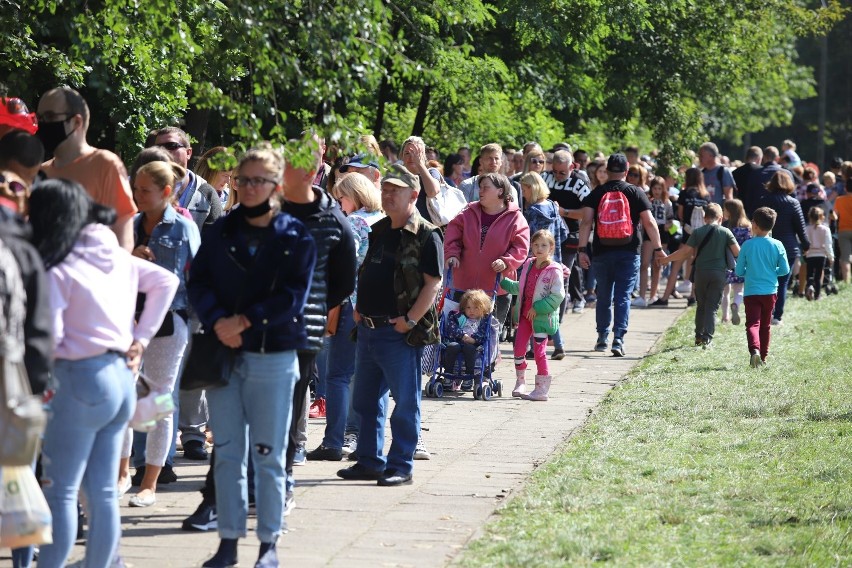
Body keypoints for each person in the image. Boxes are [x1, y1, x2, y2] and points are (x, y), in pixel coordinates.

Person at [29, 179, 178, 568]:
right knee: (102, 492)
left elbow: (50, 335)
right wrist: (141, 338)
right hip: (119, 380)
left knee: (59, 491)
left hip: (78, 379)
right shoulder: (114, 255)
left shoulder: (59, 265)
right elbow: (167, 281)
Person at [187, 145, 317, 568]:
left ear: (276, 186)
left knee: (268, 454)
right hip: (224, 353)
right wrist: (219, 320)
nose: (248, 187)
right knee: (225, 452)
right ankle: (227, 542)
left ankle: (268, 545)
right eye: (243, 180)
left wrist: (244, 321)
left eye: (258, 180)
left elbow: (293, 297)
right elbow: (199, 282)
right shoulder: (220, 231)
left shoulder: (294, 236)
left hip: (272, 354)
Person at [336, 164, 443, 486]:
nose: (388, 195)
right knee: (364, 402)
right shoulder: (380, 229)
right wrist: (357, 309)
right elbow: (365, 269)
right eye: (385, 189)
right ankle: (369, 461)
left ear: (413, 194)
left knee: (405, 402)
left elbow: (433, 283)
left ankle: (400, 466)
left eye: (395, 191)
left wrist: (409, 320)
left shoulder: (426, 234)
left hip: (398, 333)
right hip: (367, 328)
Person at [117, 160, 201, 507]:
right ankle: (121, 472)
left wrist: (195, 325)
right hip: (125, 320)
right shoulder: (128, 225)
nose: (137, 196)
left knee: (159, 401)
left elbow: (197, 278)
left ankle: (149, 480)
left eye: (145, 190)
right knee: (122, 397)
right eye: (135, 188)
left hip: (169, 323)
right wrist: (130, 256)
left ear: (166, 192)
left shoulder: (183, 228)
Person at [307, 171, 384, 461]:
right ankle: (362, 440)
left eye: (342, 197)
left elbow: (342, 267)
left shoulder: (354, 224)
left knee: (338, 375)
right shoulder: (385, 221)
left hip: (349, 306)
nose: (339, 204)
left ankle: (333, 442)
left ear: (356, 195)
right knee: (367, 376)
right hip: (380, 310)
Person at [577, 153, 667, 357]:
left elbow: (586, 223)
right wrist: (658, 248)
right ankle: (618, 338)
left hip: (601, 252)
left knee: (604, 296)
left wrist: (582, 250)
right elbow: (650, 223)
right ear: (626, 171)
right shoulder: (635, 192)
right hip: (629, 251)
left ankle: (602, 337)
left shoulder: (597, 192)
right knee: (623, 297)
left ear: (607, 171)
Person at [37, 87, 137, 250]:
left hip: (94, 272)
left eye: (49, 116)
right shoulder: (41, 172)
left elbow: (123, 234)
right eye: (39, 118)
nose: (42, 124)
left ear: (77, 122)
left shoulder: (105, 164)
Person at [444, 172, 530, 342]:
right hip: (464, 284)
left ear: (500, 191)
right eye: (480, 187)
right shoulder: (468, 211)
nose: (480, 191)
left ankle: (487, 365)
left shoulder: (515, 217)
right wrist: (452, 254)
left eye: (486, 188)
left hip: (497, 286)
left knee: (489, 332)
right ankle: (457, 365)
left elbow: (521, 247)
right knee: (459, 331)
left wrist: (506, 261)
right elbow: (452, 235)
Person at [658, 203, 739, 347]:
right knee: (712, 307)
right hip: (718, 274)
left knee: (701, 305)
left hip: (701, 273)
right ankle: (707, 337)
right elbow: (738, 252)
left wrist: (665, 259)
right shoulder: (726, 232)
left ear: (704, 218)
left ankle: (698, 336)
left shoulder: (698, 232)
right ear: (720, 218)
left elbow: (684, 252)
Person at [500, 229, 565, 401]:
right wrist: (504, 282)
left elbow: (558, 295)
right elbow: (521, 287)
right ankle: (520, 382)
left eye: (544, 245)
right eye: (535, 245)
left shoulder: (554, 270)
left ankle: (541, 390)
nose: (539, 248)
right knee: (519, 349)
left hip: (541, 319)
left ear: (551, 248)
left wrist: (538, 308)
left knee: (539, 352)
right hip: (524, 316)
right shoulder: (528, 264)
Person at [519, 171, 569, 358]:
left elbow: (526, 239)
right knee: (549, 307)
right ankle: (558, 345)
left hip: (538, 265)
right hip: (555, 262)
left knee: (534, 302)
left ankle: (535, 347)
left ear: (532, 188)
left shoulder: (531, 212)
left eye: (524, 189)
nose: (523, 194)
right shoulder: (553, 207)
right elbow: (563, 234)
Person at [734, 207, 790, 367]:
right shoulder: (778, 245)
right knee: (765, 326)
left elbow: (739, 271)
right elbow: (785, 270)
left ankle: (755, 351)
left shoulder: (747, 245)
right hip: (770, 291)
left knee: (752, 324)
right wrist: (772, 272)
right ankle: (763, 358)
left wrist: (749, 270)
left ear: (756, 225)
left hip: (751, 292)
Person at [759, 171, 809, 324]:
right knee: (782, 282)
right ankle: (777, 316)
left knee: (766, 281)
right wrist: (806, 245)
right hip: (788, 248)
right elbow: (800, 228)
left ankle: (766, 312)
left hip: (766, 246)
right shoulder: (793, 203)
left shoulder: (763, 200)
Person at [442, 289, 492, 379]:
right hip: (458, 341)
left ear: (483, 308)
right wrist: (462, 335)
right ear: (464, 307)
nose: (471, 311)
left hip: (473, 344)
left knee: (469, 348)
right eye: (468, 307)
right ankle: (448, 373)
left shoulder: (483, 320)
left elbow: (483, 332)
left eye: (476, 308)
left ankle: (469, 374)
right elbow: (452, 328)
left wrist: (474, 339)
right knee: (451, 346)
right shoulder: (457, 316)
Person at [643, 176, 674, 307]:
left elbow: (671, 218)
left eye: (659, 188)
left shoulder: (667, 202)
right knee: (645, 263)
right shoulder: (647, 200)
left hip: (662, 231)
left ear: (663, 189)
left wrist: (669, 224)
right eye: (655, 188)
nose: (657, 191)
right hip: (649, 230)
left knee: (657, 264)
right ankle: (642, 293)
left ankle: (653, 294)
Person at [721, 199, 752, 324]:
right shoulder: (747, 227)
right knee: (739, 290)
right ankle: (736, 304)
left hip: (727, 262)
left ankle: (725, 316)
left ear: (729, 211)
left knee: (725, 291)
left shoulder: (725, 226)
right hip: (741, 263)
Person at [803, 206, 833, 300]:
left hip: (810, 254)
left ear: (809, 217)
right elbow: (828, 244)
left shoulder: (806, 229)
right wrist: (831, 256)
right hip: (821, 255)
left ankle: (810, 285)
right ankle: (817, 295)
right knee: (818, 275)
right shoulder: (825, 229)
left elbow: (801, 240)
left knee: (810, 273)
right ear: (821, 217)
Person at [834, 178, 852, 283]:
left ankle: (847, 281)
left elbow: (835, 216)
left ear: (845, 188)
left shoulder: (839, 200)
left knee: (845, 257)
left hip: (843, 230)